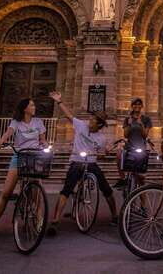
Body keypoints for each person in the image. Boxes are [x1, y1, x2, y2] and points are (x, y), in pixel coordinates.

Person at [46, 91, 118, 236]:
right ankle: (55, 220)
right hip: (77, 161)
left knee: (106, 188)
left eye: (93, 119)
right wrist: (59, 101)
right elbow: (69, 115)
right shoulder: (80, 126)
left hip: (91, 163)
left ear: (99, 124)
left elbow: (102, 153)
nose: (90, 120)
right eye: (91, 117)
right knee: (66, 189)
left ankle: (115, 216)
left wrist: (107, 151)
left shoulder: (101, 138)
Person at [0, 98, 48, 242]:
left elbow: (42, 139)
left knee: (38, 191)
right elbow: (8, 133)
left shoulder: (38, 122)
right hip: (19, 157)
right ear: (24, 108)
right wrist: (0, 141)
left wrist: (45, 144)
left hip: (35, 157)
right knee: (6, 193)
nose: (34, 107)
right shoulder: (16, 122)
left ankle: (39, 221)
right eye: (31, 105)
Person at [113, 97, 152, 189]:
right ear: (132, 106)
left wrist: (141, 124)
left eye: (139, 104)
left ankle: (143, 201)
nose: (137, 106)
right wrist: (130, 124)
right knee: (119, 155)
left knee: (140, 179)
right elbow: (126, 135)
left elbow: (145, 135)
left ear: (142, 106)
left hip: (140, 148)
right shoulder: (127, 119)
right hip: (129, 147)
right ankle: (123, 178)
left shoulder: (146, 119)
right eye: (135, 104)